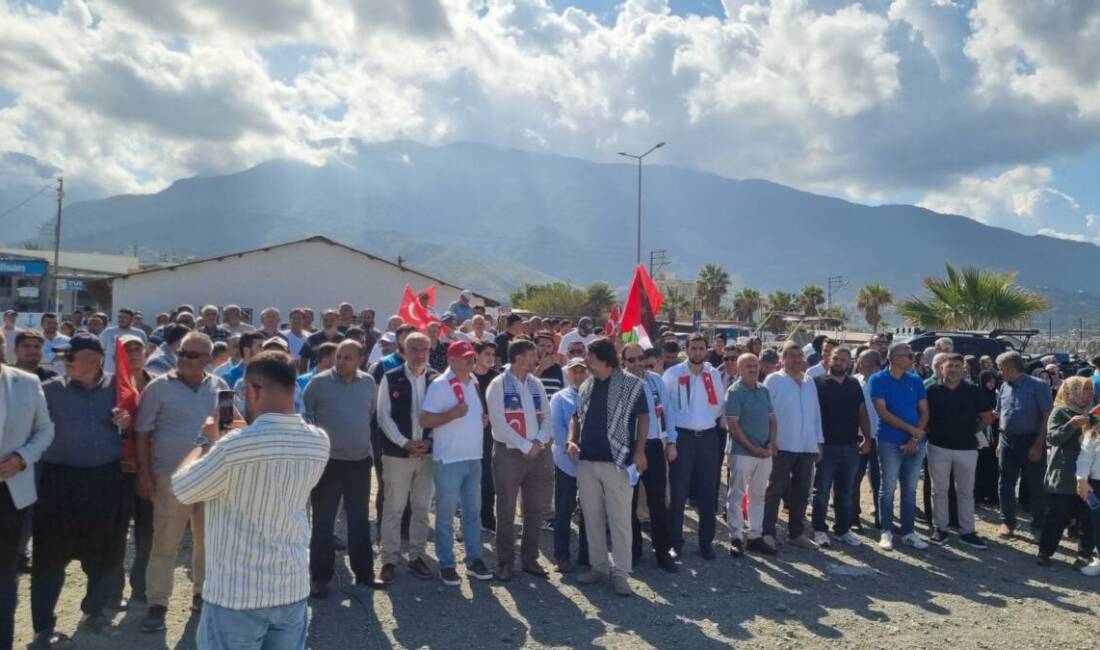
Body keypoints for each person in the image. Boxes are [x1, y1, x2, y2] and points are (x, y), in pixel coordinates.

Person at [172, 351, 329, 649]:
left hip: (237, 593)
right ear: (293, 388)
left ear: (253, 390)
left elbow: (183, 488)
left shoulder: (233, 447)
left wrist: (207, 440)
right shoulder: (319, 440)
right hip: (290, 586)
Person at [33, 333, 132, 643]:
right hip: (58, 483)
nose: (65, 361)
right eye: (63, 356)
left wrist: (126, 422)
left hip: (105, 481)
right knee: (49, 557)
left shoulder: (121, 388)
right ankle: (43, 628)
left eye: (71, 356)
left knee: (104, 553)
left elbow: (139, 426)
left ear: (95, 359)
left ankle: (94, 613)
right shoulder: (48, 391)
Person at [135, 332, 228, 632]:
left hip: (211, 478)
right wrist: (145, 474)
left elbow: (228, 431)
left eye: (193, 355)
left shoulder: (221, 388)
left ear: (208, 360)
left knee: (208, 542)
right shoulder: (158, 387)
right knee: (164, 544)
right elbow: (142, 434)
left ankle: (203, 594)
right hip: (170, 478)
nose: (185, 359)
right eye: (183, 353)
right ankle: (157, 604)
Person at [303, 340, 385, 597]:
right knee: (323, 522)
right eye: (339, 356)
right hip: (328, 462)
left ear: (360, 359)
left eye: (348, 357)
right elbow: (306, 413)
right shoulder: (318, 383)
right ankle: (320, 578)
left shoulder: (368, 383)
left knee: (359, 520)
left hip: (359, 462)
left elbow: (370, 413)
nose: (340, 361)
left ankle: (365, 574)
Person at [568, 338, 648, 596]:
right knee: (591, 517)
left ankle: (621, 573)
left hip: (617, 461)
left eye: (589, 356)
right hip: (588, 460)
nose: (586, 360)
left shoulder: (632, 384)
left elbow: (644, 417)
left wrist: (639, 450)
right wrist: (572, 440)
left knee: (620, 519)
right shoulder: (587, 386)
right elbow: (576, 417)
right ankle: (599, 566)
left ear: (603, 359)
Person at [420, 340, 495, 585]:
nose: (471, 361)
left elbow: (470, 413)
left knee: (473, 514)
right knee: (446, 515)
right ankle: (447, 562)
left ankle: (474, 559)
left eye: (472, 356)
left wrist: (479, 419)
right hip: (450, 459)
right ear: (452, 360)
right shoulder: (441, 385)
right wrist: (452, 414)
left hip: (473, 458)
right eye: (466, 357)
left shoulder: (472, 381)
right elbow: (425, 420)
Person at [0, 335, 54, 650]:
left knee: (5, 576)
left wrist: (22, 458)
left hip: (11, 495)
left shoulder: (27, 382)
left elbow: (45, 429)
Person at [486, 339, 553, 581]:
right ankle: (505, 563)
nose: (533, 361)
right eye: (529, 357)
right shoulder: (498, 384)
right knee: (505, 509)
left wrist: (538, 443)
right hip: (509, 453)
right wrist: (526, 445)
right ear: (517, 359)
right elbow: (499, 421)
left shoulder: (536, 384)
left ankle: (530, 559)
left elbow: (547, 416)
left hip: (537, 453)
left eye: (533, 357)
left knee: (535, 508)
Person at [376, 332, 438, 583]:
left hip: (427, 455)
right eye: (414, 349)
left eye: (424, 349)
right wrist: (405, 443)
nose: (419, 354)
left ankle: (416, 556)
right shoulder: (391, 378)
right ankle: (389, 559)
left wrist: (429, 441)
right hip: (397, 455)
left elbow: (441, 414)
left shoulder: (437, 380)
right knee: (394, 508)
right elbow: (383, 416)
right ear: (403, 349)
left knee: (422, 508)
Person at [663, 333, 725, 560]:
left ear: (706, 350)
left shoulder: (713, 374)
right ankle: (675, 543)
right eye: (694, 348)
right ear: (686, 349)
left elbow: (719, 405)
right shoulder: (673, 374)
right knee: (678, 492)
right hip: (682, 437)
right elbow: (667, 410)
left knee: (708, 491)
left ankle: (706, 543)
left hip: (708, 437)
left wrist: (704, 421)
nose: (698, 352)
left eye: (701, 348)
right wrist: (671, 441)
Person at [924, 354, 994, 549]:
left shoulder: (973, 391)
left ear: (963, 368)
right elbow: (923, 415)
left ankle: (967, 531)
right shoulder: (932, 390)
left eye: (957, 365)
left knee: (965, 491)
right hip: (938, 446)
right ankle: (940, 528)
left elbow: (987, 417)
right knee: (939, 490)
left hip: (967, 448)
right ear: (941, 368)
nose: (953, 369)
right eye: (950, 366)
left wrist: (971, 431)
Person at [762, 342, 824, 552]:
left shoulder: (809, 382)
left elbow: (815, 414)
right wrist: (770, 441)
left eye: (799, 356)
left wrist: (818, 442)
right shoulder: (774, 380)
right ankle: (767, 532)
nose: (797, 359)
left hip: (806, 446)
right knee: (774, 490)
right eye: (792, 356)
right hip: (782, 445)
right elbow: (766, 413)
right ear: (783, 359)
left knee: (801, 492)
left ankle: (796, 533)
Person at [621, 343, 677, 572]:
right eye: (631, 360)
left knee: (657, 502)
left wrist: (671, 441)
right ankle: (633, 550)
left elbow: (668, 411)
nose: (637, 364)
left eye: (640, 358)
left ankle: (662, 552)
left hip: (654, 446)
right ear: (623, 362)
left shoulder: (656, 380)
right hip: (628, 448)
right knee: (629, 502)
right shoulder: (618, 383)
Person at [870, 342, 929, 551]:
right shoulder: (878, 379)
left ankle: (908, 532)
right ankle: (886, 530)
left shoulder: (915, 379)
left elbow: (924, 411)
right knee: (888, 488)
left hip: (915, 442)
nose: (912, 359)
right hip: (889, 440)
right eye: (908, 356)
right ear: (893, 358)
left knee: (910, 489)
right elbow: (883, 412)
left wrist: (915, 437)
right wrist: (910, 430)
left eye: (912, 355)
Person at [811, 346, 871, 548]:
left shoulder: (854, 384)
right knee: (821, 490)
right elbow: (812, 416)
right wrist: (815, 443)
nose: (839, 362)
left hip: (850, 446)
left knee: (846, 491)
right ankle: (819, 529)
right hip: (826, 446)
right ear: (828, 359)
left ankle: (843, 530)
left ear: (850, 362)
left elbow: (862, 412)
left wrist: (867, 438)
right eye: (836, 358)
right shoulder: (817, 383)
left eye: (844, 360)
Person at [1036, 376, 1095, 567]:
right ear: (1072, 391)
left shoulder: (1094, 412)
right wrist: (1071, 425)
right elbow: (1053, 438)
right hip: (1066, 474)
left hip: (1090, 474)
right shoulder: (1061, 411)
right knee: (1057, 515)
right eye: (1085, 390)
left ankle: (1084, 556)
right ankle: (1045, 552)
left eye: (1090, 390)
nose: (1089, 394)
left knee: (1088, 518)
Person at [995, 350, 1053, 539]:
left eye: (1000, 369)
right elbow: (1001, 413)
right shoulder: (1004, 386)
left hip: (1031, 441)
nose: (999, 372)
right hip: (1007, 440)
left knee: (1035, 484)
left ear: (1011, 368)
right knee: (1005, 483)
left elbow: (1047, 417)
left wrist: (1038, 445)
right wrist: (999, 441)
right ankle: (1008, 522)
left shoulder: (1038, 386)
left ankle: (1038, 525)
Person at [725, 353, 776, 557]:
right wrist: (754, 449)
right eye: (747, 366)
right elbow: (733, 426)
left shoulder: (764, 390)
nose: (753, 369)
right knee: (737, 495)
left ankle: (756, 536)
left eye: (755, 365)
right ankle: (736, 536)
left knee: (758, 495)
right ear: (739, 369)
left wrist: (771, 444)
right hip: (742, 453)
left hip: (765, 453)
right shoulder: (734, 392)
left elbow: (773, 420)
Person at [549, 357, 589, 573]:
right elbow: (556, 428)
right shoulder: (559, 398)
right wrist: (571, 448)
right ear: (568, 374)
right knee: (564, 509)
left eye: (583, 371)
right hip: (565, 460)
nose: (579, 375)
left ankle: (586, 553)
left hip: (589, 462)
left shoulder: (593, 395)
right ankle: (562, 554)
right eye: (575, 371)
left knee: (589, 510)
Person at [851, 350, 882, 531]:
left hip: (881, 437)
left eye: (863, 362)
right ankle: (853, 516)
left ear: (875, 365)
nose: (859, 365)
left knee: (879, 480)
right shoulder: (855, 381)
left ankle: (881, 516)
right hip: (859, 436)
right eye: (859, 362)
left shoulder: (886, 381)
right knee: (854, 478)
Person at [472, 342, 499, 532]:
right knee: (470, 481)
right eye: (486, 354)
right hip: (468, 436)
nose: (490, 358)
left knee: (488, 479)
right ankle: (470, 522)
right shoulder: (466, 377)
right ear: (476, 355)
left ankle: (488, 519)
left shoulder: (497, 379)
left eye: (493, 354)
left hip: (491, 436)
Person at [1076, 420, 1100, 576]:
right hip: (1095, 487)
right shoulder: (1093, 434)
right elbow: (1084, 459)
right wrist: (1081, 480)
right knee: (1097, 523)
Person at [99, 308, 148, 373]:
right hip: (110, 374)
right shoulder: (108, 332)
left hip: (131, 374)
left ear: (132, 319)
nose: (121, 319)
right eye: (119, 317)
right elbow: (99, 351)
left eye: (125, 317)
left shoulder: (140, 333)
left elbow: (144, 353)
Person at [534, 331, 565, 397]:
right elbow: (526, 385)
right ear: (535, 347)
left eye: (549, 346)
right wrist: (540, 368)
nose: (546, 349)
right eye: (542, 346)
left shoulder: (557, 368)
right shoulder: (528, 365)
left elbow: (561, 390)